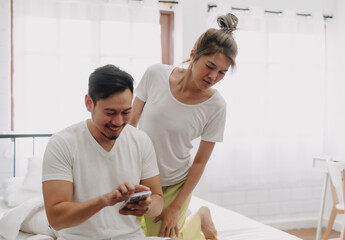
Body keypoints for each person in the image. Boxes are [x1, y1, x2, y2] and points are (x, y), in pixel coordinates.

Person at [130, 13, 238, 240]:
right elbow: (130, 124)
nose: (213, 76)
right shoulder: (155, 74)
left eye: (222, 72)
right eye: (210, 66)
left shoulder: (216, 106)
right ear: (193, 55)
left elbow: (199, 161)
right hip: (139, 178)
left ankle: (199, 216)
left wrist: (176, 207)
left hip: (174, 183)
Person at [42, 64, 164, 240]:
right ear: (88, 103)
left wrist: (148, 205)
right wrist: (105, 201)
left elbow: (158, 200)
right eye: (110, 113)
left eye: (126, 112)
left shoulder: (141, 141)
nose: (118, 121)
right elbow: (56, 219)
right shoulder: (63, 143)